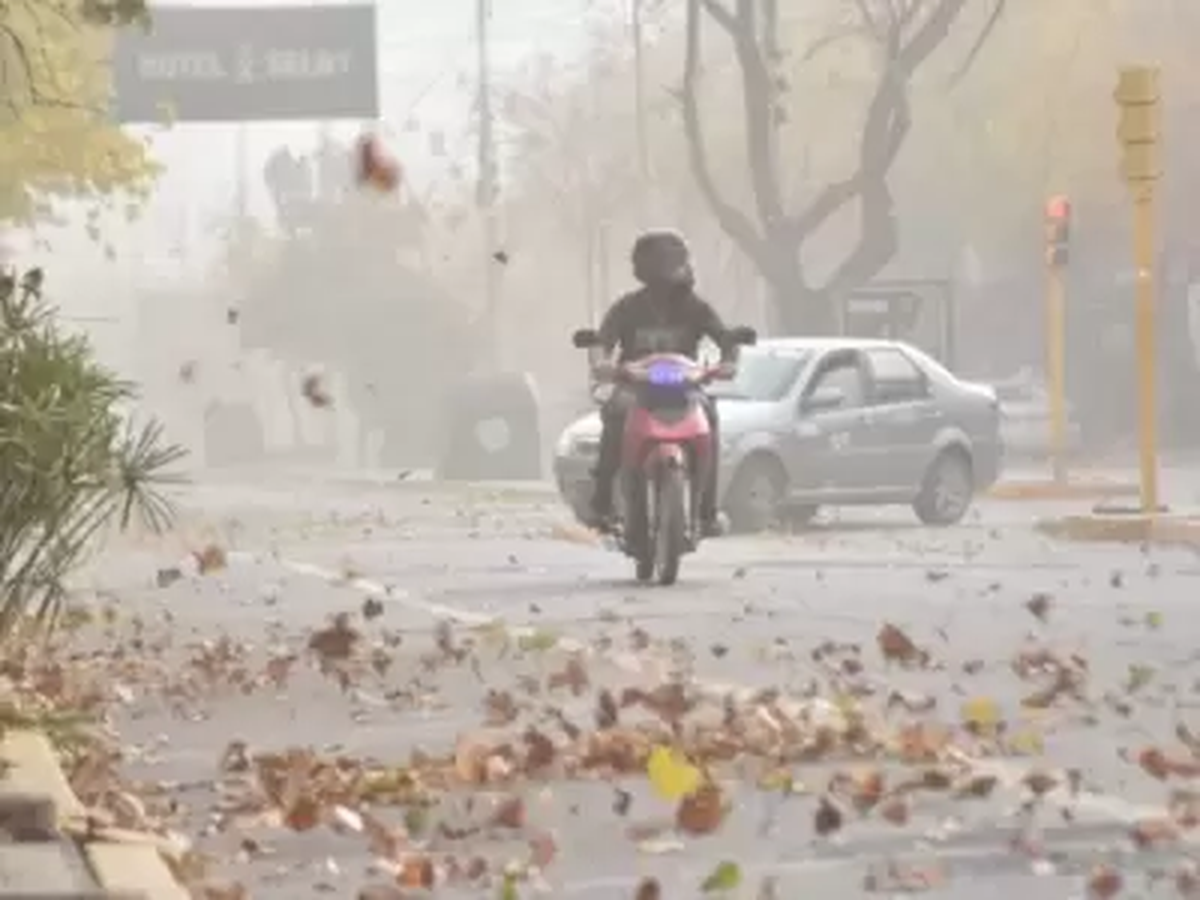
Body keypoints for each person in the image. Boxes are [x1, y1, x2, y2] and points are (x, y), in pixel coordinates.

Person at [588, 229, 732, 535]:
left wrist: (729, 361)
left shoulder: (695, 307)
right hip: (635, 388)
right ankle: (601, 506)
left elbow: (725, 338)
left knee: (710, 417)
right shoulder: (627, 308)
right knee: (615, 415)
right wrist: (601, 363)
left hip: (684, 388)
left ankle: (707, 511)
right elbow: (603, 341)